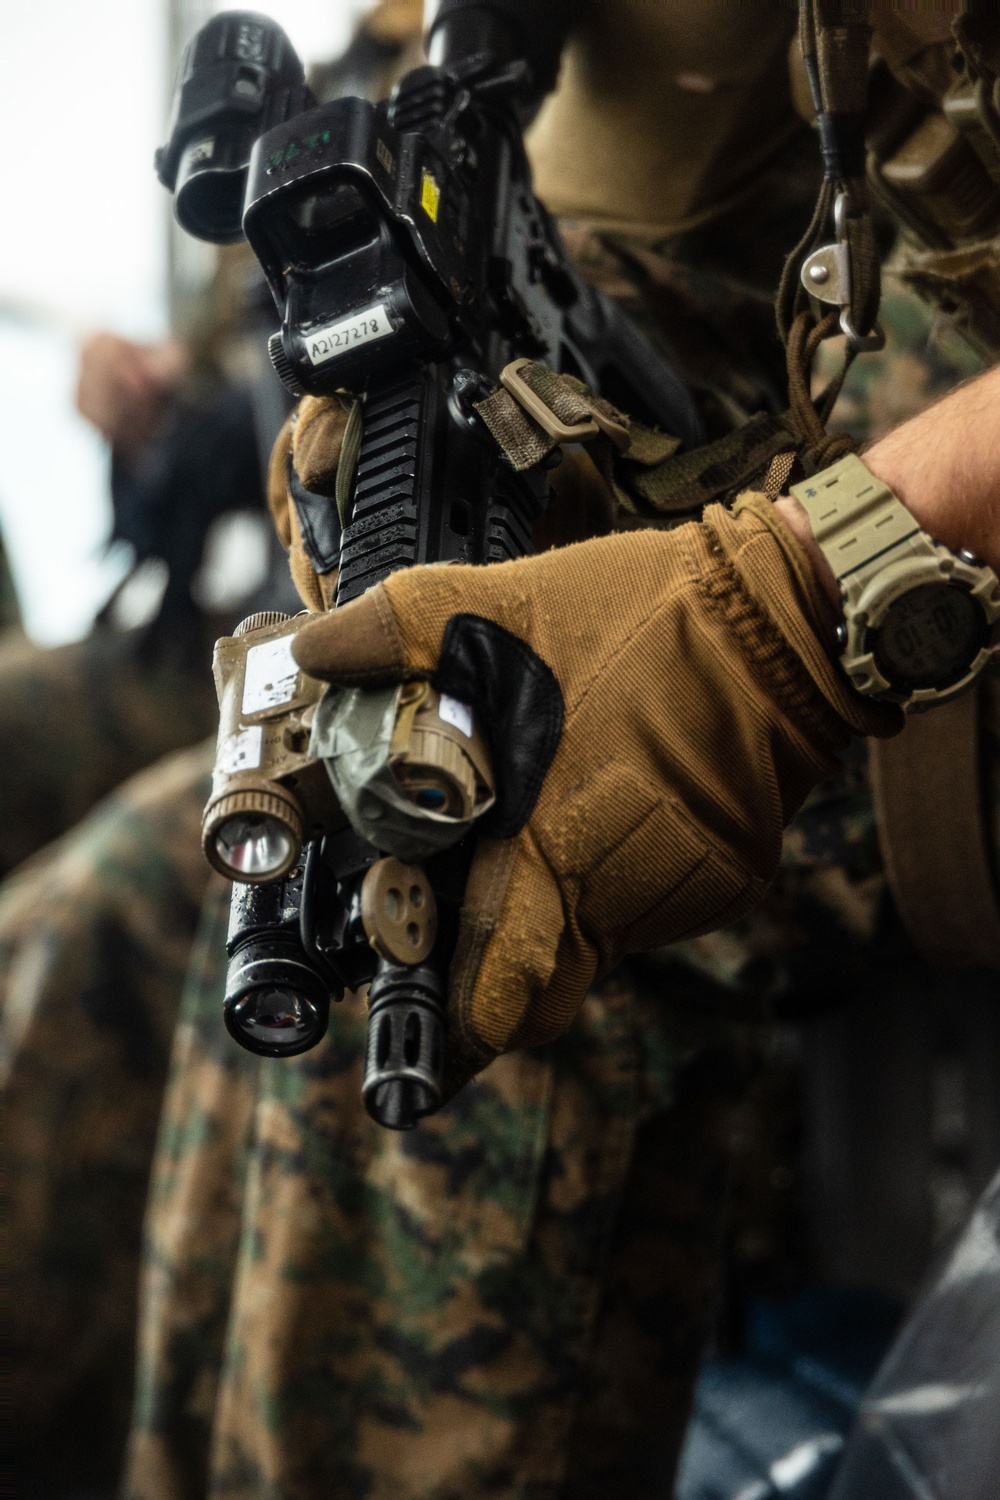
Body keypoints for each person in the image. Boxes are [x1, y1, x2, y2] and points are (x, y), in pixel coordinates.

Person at [117, 8, 1000, 1499]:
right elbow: (661, 255)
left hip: (924, 629)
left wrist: (777, 589)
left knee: (504, 887)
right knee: (303, 855)